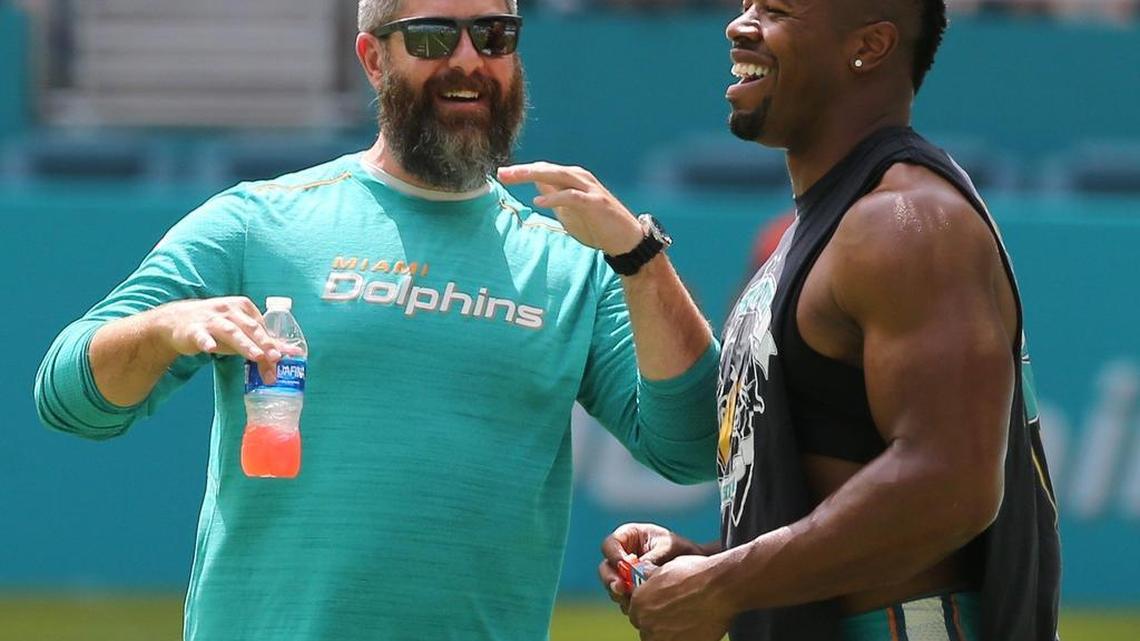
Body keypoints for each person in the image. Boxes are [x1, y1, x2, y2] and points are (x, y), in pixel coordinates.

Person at [33, 1, 721, 639]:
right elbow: (69, 398)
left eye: (493, 35)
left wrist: (641, 256)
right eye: (430, 36)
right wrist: (161, 328)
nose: (468, 59)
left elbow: (691, 449)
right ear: (371, 58)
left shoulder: (575, 259)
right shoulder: (258, 222)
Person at [596, 1, 1061, 640]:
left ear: (867, 45)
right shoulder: (830, 225)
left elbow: (948, 485)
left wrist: (726, 583)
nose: (740, 24)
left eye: (779, 9)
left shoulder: (907, 223)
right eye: (747, 3)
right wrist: (711, 565)